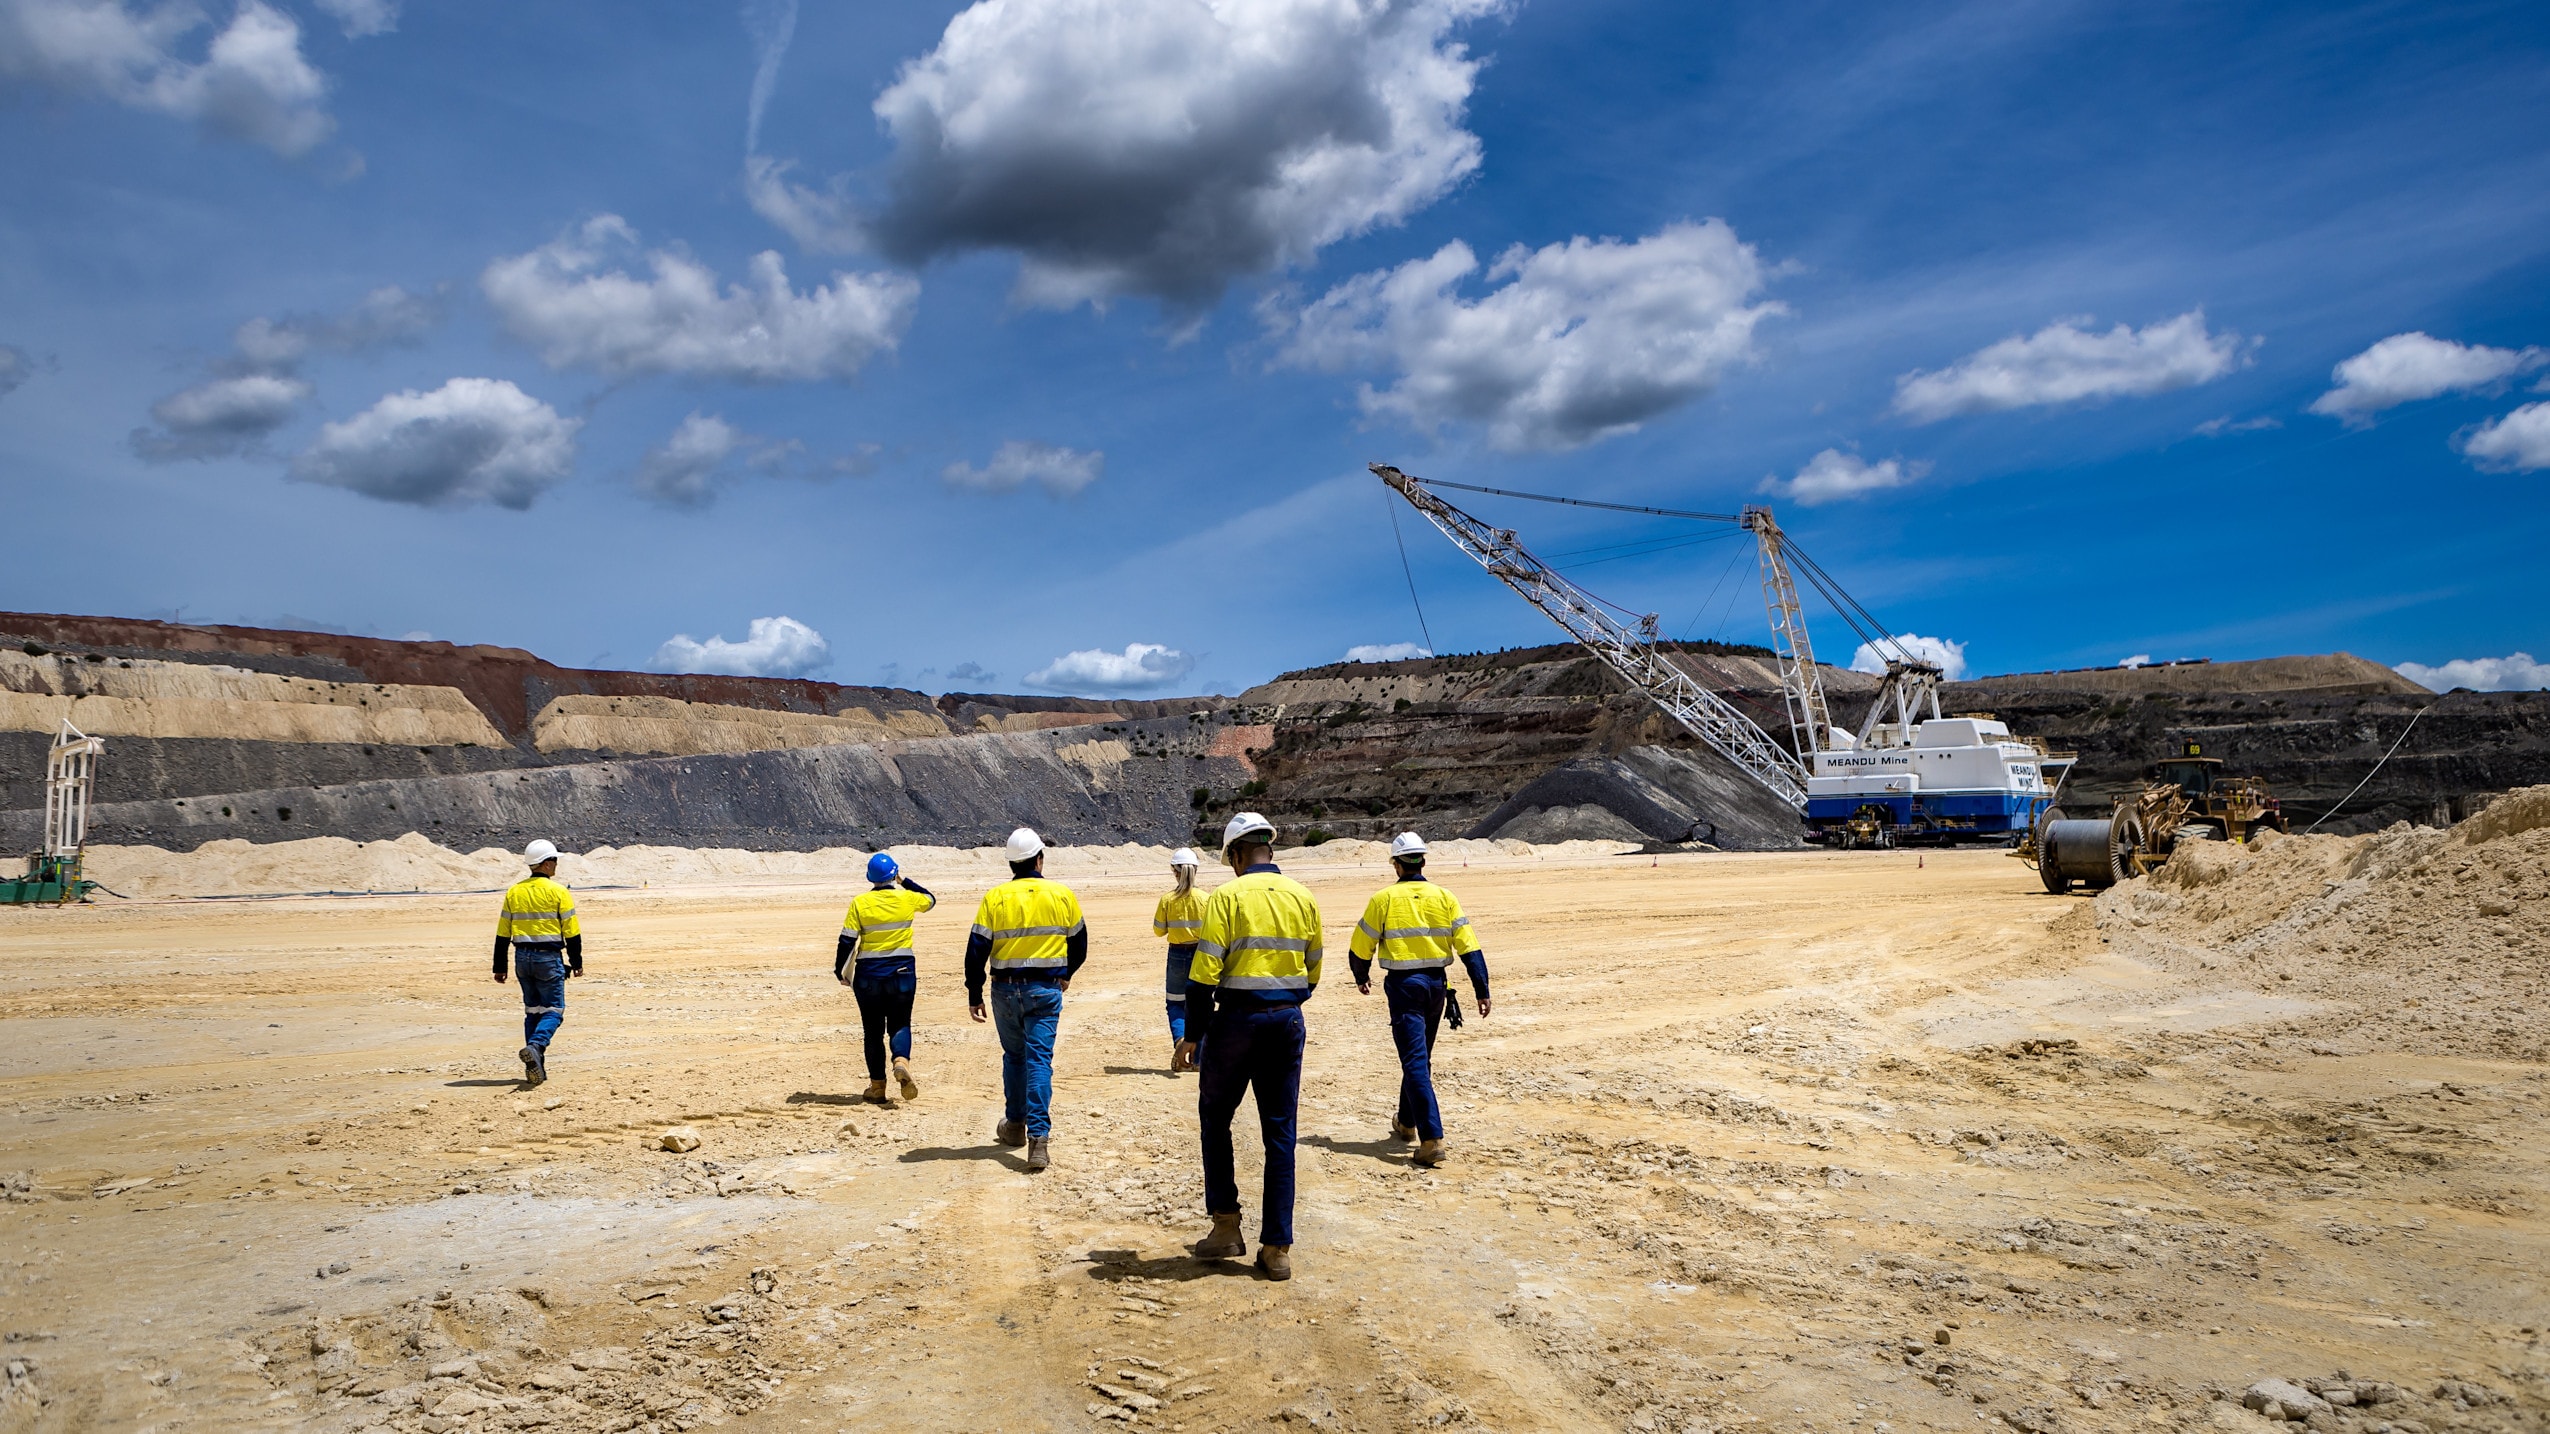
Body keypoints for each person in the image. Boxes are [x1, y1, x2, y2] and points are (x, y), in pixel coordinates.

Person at [1176, 811, 1320, 1281]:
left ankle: (1226, 1227)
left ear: (1236, 855)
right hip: (1286, 1021)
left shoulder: (1227, 897)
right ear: (1269, 850)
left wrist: (1192, 1035)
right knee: (1280, 1133)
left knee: (1215, 1120)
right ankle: (1276, 1248)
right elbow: (1313, 966)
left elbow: (1204, 973)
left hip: (1236, 1022)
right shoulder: (1303, 896)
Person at [1348, 832, 1492, 1168]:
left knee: (1414, 1061)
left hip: (1404, 988)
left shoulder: (1382, 899)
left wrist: (1361, 975)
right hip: (1436, 987)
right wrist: (1481, 989)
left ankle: (1431, 1138)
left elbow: (1360, 946)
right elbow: (1470, 947)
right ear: (1423, 862)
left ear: (1396, 865)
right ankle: (1407, 1123)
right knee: (1419, 1058)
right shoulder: (1445, 897)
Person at [964, 827, 1086, 1171]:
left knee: (1015, 1058)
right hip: (1045, 990)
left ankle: (1015, 1126)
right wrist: (1066, 974)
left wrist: (974, 992)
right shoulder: (1062, 895)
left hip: (1004, 990)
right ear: (1039, 859)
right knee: (1038, 1061)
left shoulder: (995, 897)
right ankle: (1039, 1140)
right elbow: (1079, 944)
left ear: (1011, 864)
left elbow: (976, 951)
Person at [836, 852, 938, 1104]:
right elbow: (930, 899)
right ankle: (901, 1061)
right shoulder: (906, 898)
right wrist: (903, 881)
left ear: (870, 878)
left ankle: (878, 1087)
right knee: (900, 1023)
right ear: (893, 874)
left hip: (868, 975)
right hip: (902, 972)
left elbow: (847, 940)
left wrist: (840, 971)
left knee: (872, 1031)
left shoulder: (860, 903)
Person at [492, 838, 582, 1085]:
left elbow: (502, 932)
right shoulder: (558, 892)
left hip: (522, 958)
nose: (556, 865)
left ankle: (536, 1067)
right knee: (554, 1010)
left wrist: (500, 967)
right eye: (554, 860)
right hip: (548, 958)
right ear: (545, 864)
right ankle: (536, 1045)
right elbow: (571, 931)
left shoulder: (514, 891)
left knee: (532, 1011)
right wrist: (577, 962)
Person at [1152, 847, 1207, 1070]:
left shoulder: (1167, 900)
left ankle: (1179, 1039)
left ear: (1175, 871)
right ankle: (1198, 1059)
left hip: (1176, 953)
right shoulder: (1206, 899)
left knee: (1175, 1003)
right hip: (1202, 954)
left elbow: (1158, 930)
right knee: (1202, 1004)